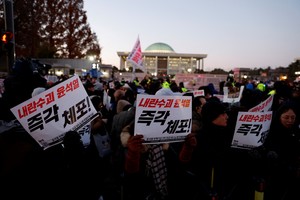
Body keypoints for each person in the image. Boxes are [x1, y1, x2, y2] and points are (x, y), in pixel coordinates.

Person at [179, 100, 254, 200]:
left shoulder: (231, 133)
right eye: (222, 114)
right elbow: (186, 163)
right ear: (212, 117)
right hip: (211, 191)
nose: (227, 116)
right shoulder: (199, 138)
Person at [262, 101, 300, 200]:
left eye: (293, 118)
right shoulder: (269, 131)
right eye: (286, 117)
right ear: (279, 116)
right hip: (274, 178)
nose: (290, 121)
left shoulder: (296, 131)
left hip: (292, 178)